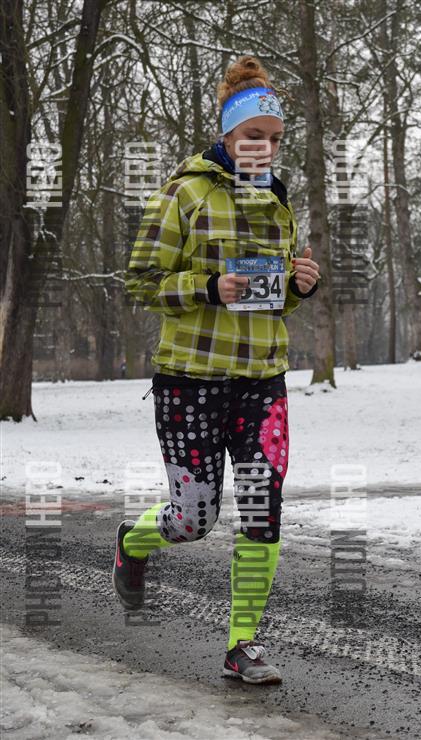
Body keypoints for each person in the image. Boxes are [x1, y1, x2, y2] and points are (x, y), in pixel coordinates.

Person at [113, 55, 320, 685]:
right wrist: (207, 286)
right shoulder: (184, 193)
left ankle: (242, 645)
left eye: (275, 139)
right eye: (254, 135)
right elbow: (139, 282)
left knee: (261, 505)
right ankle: (132, 542)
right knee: (193, 519)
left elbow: (270, 297)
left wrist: (299, 286)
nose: (265, 148)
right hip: (190, 381)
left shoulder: (278, 200)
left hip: (263, 379)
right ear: (228, 134)